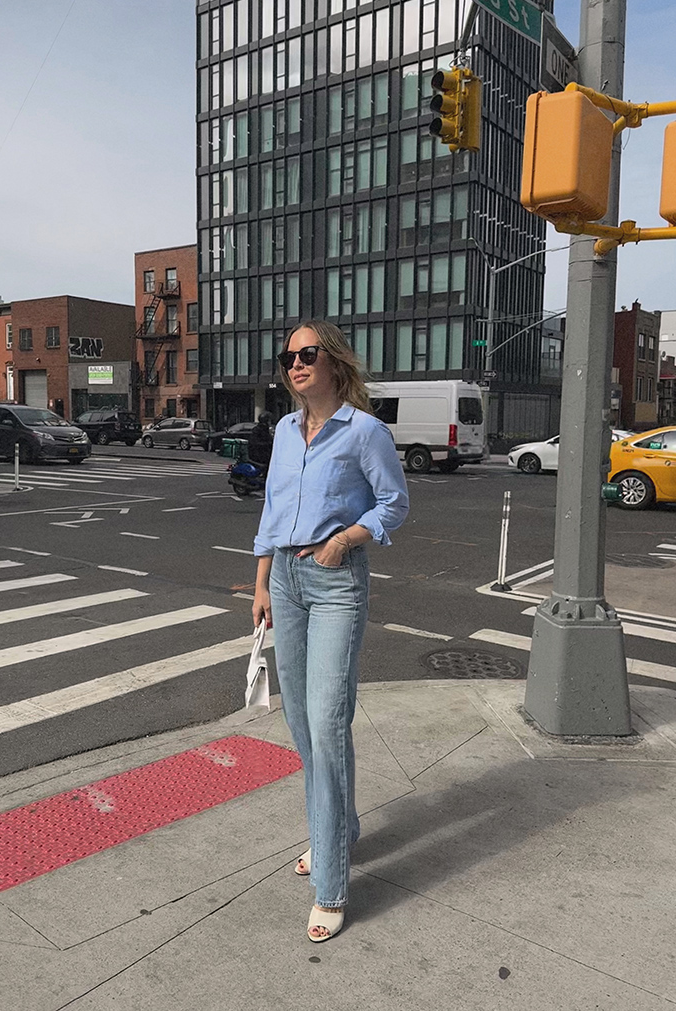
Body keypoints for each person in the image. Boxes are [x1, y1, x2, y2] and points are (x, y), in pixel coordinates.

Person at [252, 320, 409, 942]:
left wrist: (345, 539)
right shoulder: (286, 432)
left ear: (335, 362)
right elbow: (270, 509)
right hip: (286, 581)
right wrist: (261, 583)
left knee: (327, 719)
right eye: (288, 356)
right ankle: (336, 830)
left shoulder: (365, 431)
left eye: (307, 354)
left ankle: (333, 883)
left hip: (335, 578)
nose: (295, 364)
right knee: (300, 721)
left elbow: (393, 502)